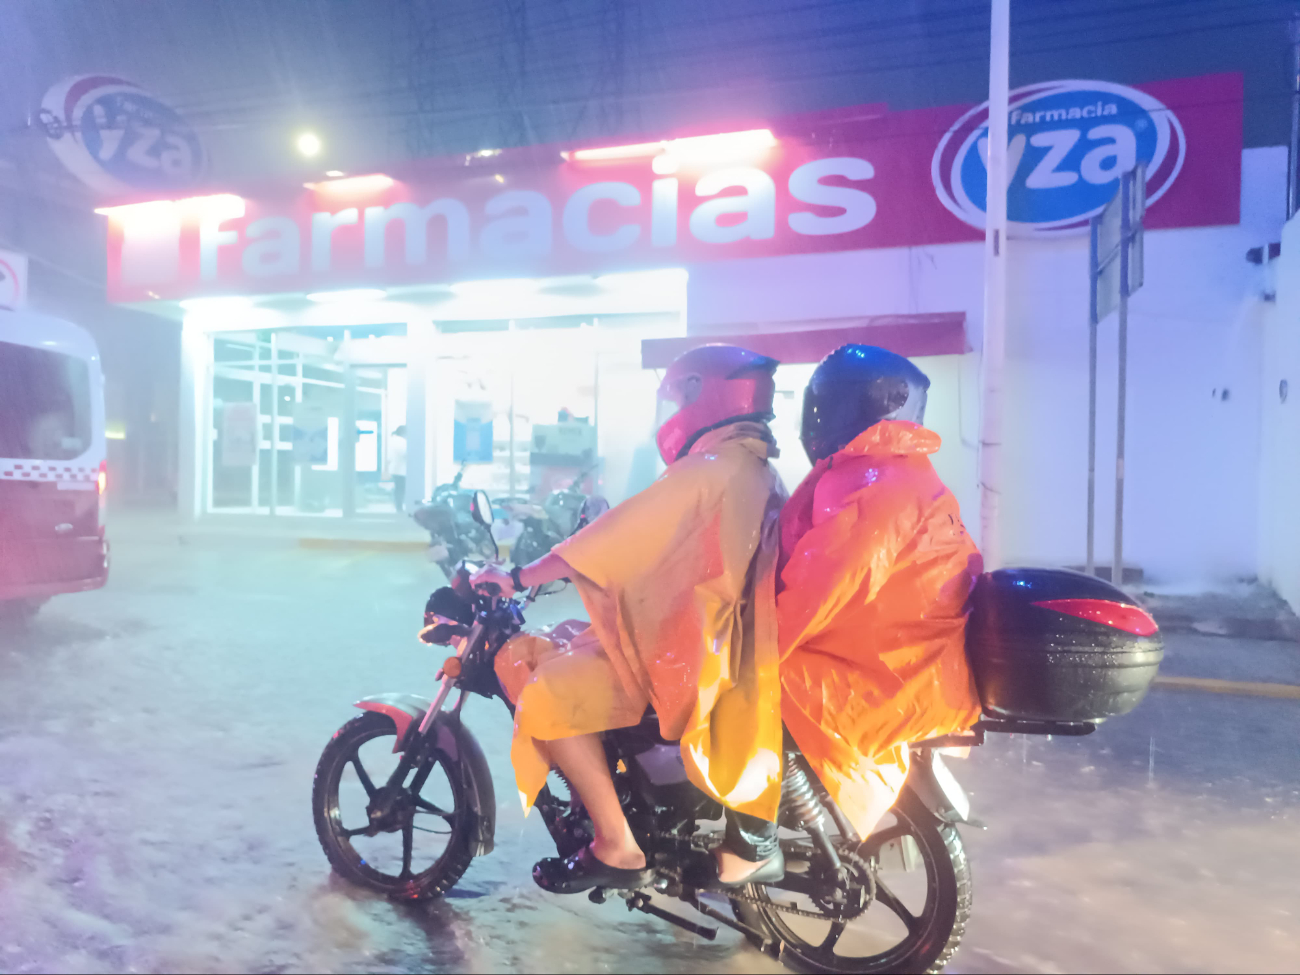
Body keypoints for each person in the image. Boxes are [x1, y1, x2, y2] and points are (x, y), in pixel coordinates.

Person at [472, 344, 786, 893]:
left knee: (547, 693)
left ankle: (616, 843)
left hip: (693, 654)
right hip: (718, 642)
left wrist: (520, 578)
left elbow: (615, 538)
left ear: (699, 395)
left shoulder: (708, 470)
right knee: (572, 635)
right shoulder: (753, 467)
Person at [725, 344, 982, 870]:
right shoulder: (895, 470)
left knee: (743, 684)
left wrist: (747, 641)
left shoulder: (875, 483)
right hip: (906, 658)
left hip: (892, 673)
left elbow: (821, 586)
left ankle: (752, 842)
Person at [387, 425, 407, 512]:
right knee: (400, 489)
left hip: (395, 469)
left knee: (398, 489)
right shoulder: (401, 441)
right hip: (401, 470)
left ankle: (398, 506)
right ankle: (399, 507)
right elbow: (405, 454)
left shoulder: (393, 441)